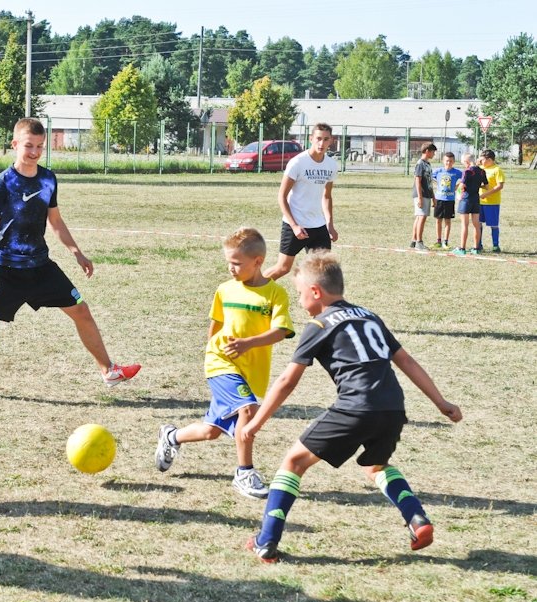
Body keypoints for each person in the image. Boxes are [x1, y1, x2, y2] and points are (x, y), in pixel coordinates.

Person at [240, 251, 462, 562]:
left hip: (356, 407)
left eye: (300, 294)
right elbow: (406, 361)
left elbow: (287, 382)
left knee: (293, 463)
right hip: (393, 408)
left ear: (316, 292)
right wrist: (440, 402)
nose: (300, 301)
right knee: (376, 466)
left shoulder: (318, 325)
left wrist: (256, 423)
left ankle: (266, 540)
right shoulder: (369, 316)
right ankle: (417, 518)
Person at [0, 117, 140, 399]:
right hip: (5, 269)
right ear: (15, 145)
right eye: (28, 146)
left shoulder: (48, 179)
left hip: (40, 267)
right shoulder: (4, 183)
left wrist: (77, 253)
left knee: (81, 311)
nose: (34, 152)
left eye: (39, 146)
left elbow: (56, 222)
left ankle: (108, 370)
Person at [154, 228, 294, 499]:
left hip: (251, 369)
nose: (231, 268)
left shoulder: (275, 294)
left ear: (258, 261)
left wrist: (247, 343)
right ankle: (244, 473)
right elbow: (215, 324)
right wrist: (210, 353)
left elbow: (281, 331)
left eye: (237, 263)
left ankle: (172, 437)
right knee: (248, 410)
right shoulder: (225, 290)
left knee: (211, 431)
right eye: (229, 262)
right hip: (220, 363)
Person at [264, 123, 338, 280]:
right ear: (311, 139)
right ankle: (252, 288)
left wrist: (330, 225)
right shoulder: (298, 163)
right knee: (283, 268)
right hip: (295, 225)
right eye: (318, 138)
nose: (321, 143)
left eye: (325, 139)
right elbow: (281, 196)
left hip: (318, 226)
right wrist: (295, 226)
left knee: (323, 271)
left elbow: (327, 196)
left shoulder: (331, 165)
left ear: (331, 141)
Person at [452, 153, 488, 255]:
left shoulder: (467, 171)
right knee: (476, 225)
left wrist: (458, 191)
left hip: (466, 200)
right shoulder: (482, 171)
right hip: (476, 200)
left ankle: (462, 248)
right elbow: (486, 186)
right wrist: (477, 186)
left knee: (464, 225)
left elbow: (462, 186)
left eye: (463, 163)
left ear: (466, 162)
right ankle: (476, 248)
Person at [410, 143, 437, 251]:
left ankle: (413, 240)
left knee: (419, 217)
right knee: (421, 217)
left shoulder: (428, 164)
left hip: (427, 194)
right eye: (433, 152)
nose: (434, 154)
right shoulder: (420, 164)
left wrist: (433, 197)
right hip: (421, 194)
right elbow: (418, 180)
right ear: (427, 151)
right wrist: (420, 197)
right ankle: (419, 242)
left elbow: (429, 182)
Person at [431, 152, 461, 248]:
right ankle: (438, 241)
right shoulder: (438, 171)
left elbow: (465, 178)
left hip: (450, 200)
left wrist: (457, 186)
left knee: (447, 221)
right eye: (447, 161)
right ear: (443, 161)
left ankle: (445, 241)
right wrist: (437, 184)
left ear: (454, 162)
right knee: (438, 220)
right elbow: (429, 177)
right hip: (439, 199)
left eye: (451, 161)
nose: (449, 163)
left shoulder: (456, 172)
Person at [478, 149, 506, 252]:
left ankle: (495, 245)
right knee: (478, 224)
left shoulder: (497, 170)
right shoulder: (480, 169)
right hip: (480, 202)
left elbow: (500, 186)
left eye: (483, 160)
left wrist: (486, 194)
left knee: (493, 225)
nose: (481, 162)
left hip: (492, 203)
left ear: (489, 159)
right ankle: (478, 244)